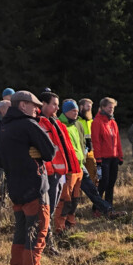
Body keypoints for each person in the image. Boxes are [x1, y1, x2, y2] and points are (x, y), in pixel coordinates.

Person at [0, 90, 56, 265]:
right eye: (34, 105)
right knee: (36, 236)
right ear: (23, 106)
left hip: (16, 189)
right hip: (35, 189)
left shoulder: (4, 128)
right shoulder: (29, 125)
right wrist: (35, 153)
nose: (37, 109)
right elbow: (50, 152)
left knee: (20, 235)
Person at [59, 100, 120, 219]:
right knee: (69, 196)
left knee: (92, 190)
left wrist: (83, 154)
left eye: (77, 111)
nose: (76, 113)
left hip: (80, 164)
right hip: (69, 167)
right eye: (73, 111)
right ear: (66, 111)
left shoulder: (78, 124)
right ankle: (63, 223)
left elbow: (82, 142)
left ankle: (108, 210)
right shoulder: (60, 125)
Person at [38, 91, 82, 249]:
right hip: (49, 173)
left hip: (59, 172)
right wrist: (51, 169)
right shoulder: (39, 122)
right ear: (43, 104)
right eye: (54, 104)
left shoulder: (54, 121)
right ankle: (45, 244)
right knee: (46, 210)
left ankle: (47, 241)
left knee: (53, 206)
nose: (57, 107)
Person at [91, 98, 123, 210]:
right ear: (103, 107)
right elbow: (96, 141)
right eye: (110, 107)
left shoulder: (113, 122)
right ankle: (97, 207)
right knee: (103, 184)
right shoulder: (97, 121)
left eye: (113, 108)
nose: (111, 110)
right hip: (103, 158)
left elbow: (118, 140)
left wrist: (120, 155)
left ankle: (109, 207)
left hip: (114, 157)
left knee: (111, 183)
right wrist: (98, 158)